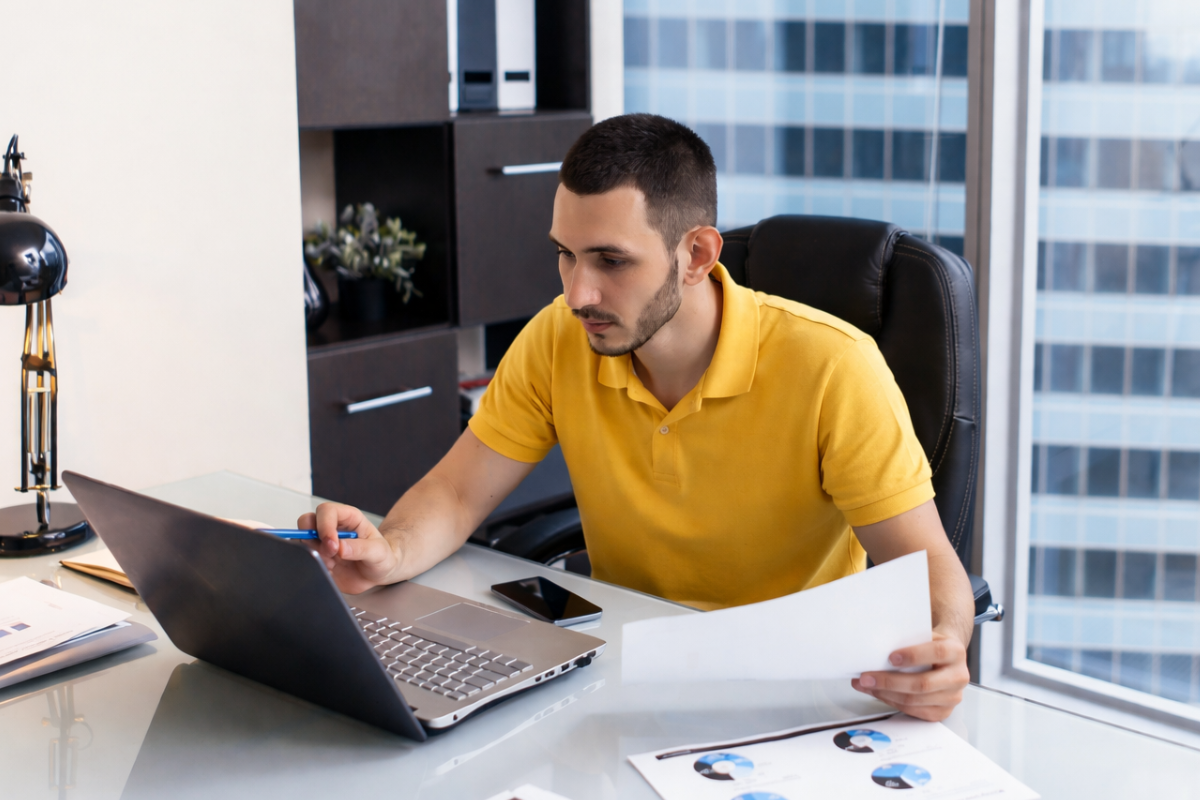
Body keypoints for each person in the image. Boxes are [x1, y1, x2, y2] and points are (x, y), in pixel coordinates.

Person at [300, 113, 975, 722]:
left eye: (611, 261)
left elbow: (928, 568)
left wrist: (945, 643)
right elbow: (455, 492)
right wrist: (390, 549)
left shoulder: (834, 367)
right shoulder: (557, 340)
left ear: (698, 256)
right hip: (624, 668)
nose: (577, 292)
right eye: (565, 253)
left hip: (790, 689)